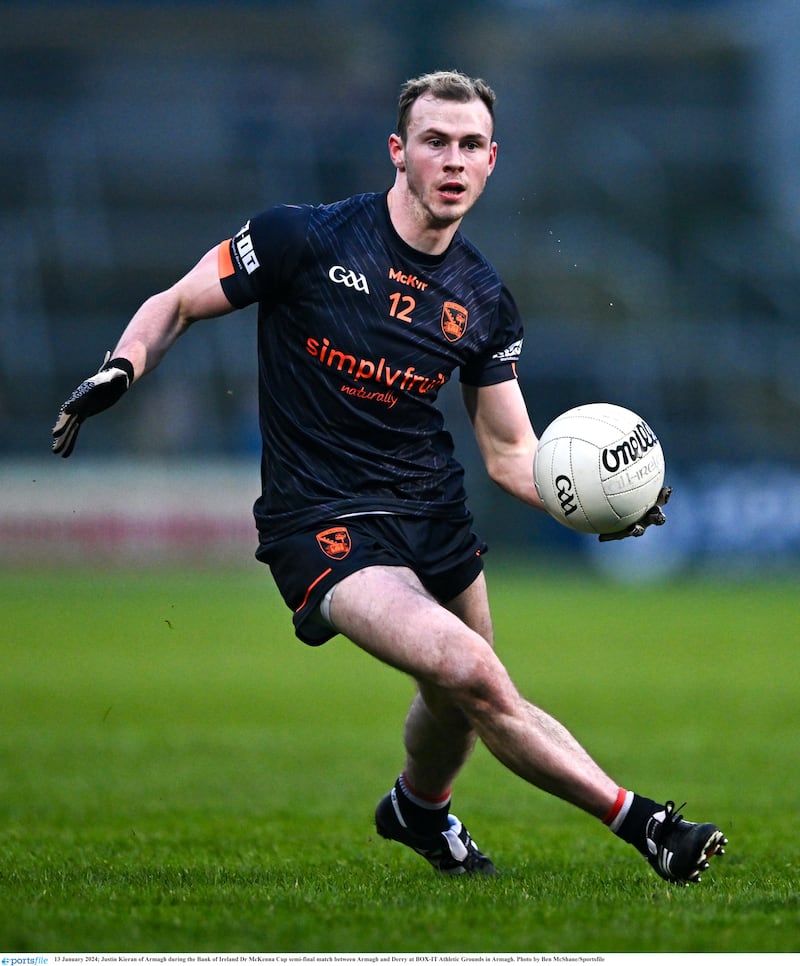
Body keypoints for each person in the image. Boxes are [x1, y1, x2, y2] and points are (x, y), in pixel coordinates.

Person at [52, 69, 726, 884]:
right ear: (398, 153)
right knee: (473, 672)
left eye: (470, 145)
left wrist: (588, 506)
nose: (453, 160)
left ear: (491, 161)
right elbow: (178, 302)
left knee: (459, 700)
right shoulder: (305, 238)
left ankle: (418, 811)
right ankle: (647, 824)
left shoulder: (482, 298)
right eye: (435, 142)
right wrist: (122, 368)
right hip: (322, 520)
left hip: (432, 511)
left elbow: (512, 454)